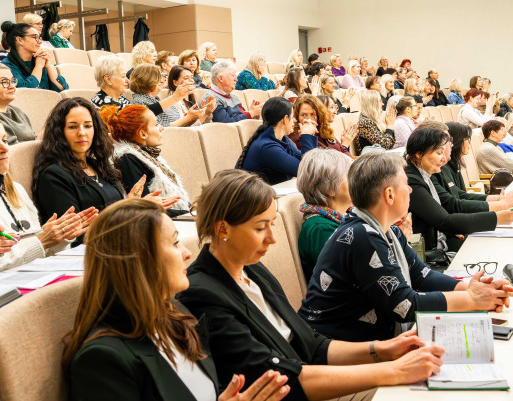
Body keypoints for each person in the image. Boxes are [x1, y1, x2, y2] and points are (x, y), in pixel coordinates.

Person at [178, 168, 447, 401]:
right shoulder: (202, 293)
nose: (272, 238)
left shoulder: (253, 270)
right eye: (260, 228)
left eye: (272, 224)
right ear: (223, 229)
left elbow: (311, 345)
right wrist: (394, 370)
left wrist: (382, 349)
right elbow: (279, 378)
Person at [63, 198, 291, 401]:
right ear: (140, 259)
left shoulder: (178, 316)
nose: (187, 253)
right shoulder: (103, 359)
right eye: (174, 243)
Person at [298, 151, 513, 342]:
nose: (410, 189)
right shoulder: (362, 236)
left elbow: (421, 275)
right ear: (390, 194)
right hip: (338, 347)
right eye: (405, 183)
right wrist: (471, 298)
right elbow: (403, 305)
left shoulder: (387, 229)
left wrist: (471, 288)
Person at [32, 98, 175, 238]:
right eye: (72, 127)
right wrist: (131, 212)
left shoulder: (98, 165)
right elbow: (73, 236)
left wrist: (133, 204)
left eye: (88, 126)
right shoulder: (53, 176)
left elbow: (113, 214)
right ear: (59, 132)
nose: (82, 132)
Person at [0, 112, 97, 274]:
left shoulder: (17, 189)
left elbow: (39, 253)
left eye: (5, 140)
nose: (4, 148)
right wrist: (42, 240)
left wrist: (59, 237)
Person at [406, 126, 513, 252]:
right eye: (438, 153)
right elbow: (445, 220)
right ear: (419, 154)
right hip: (431, 249)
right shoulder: (412, 181)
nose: (443, 158)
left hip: (442, 238)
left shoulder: (426, 173)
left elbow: (450, 206)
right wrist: (497, 217)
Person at [101, 104, 190, 217]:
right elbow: (144, 209)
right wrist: (189, 214)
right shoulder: (127, 160)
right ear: (143, 134)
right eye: (156, 124)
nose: (161, 128)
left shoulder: (147, 154)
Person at [296, 148, 352, 281]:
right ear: (331, 188)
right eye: (350, 177)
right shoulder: (321, 229)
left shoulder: (343, 216)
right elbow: (348, 275)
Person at [236, 97, 317, 185]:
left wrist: (309, 135)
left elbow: (309, 162)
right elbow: (307, 171)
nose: (295, 121)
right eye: (292, 117)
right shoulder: (267, 147)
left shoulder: (282, 139)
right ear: (285, 119)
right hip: (255, 193)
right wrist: (306, 136)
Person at [434, 122, 513, 210]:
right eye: (467, 139)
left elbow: (461, 195)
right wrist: (500, 206)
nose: (470, 143)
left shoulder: (453, 165)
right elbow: (453, 204)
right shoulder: (442, 168)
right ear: (458, 141)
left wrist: (500, 199)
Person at [0, 21, 68, 92]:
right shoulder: (6, 65)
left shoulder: (39, 60)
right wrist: (38, 66)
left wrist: (48, 66)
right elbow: (25, 92)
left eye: (39, 38)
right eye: (34, 37)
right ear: (20, 40)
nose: (40, 42)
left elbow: (64, 89)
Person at [130, 63, 197, 123]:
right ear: (147, 80)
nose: (162, 80)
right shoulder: (139, 102)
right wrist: (188, 118)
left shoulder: (157, 99)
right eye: (158, 77)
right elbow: (162, 128)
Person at [289, 94, 354, 157]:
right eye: (304, 115)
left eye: (312, 114)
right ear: (297, 117)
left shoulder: (324, 130)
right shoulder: (296, 138)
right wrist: (307, 135)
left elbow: (343, 150)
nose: (309, 119)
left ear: (319, 115)